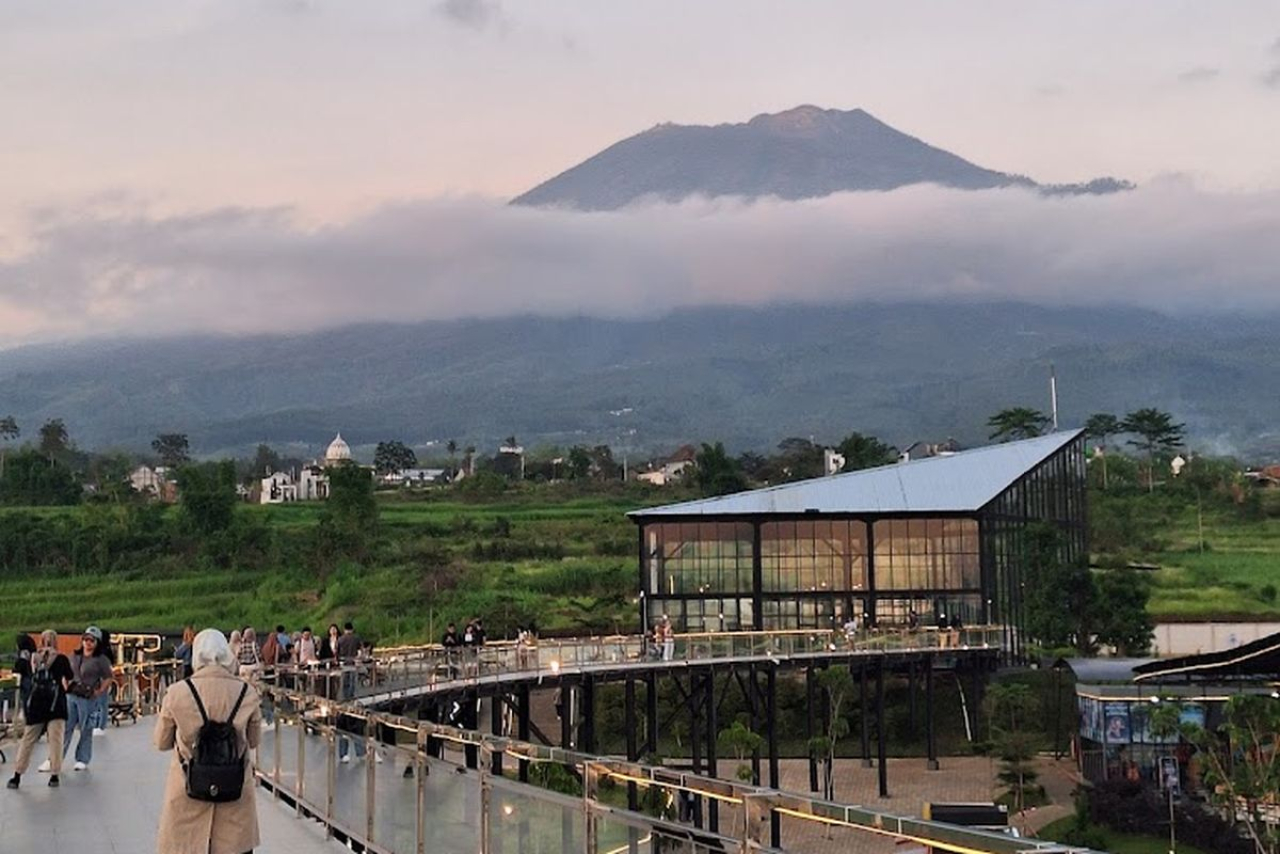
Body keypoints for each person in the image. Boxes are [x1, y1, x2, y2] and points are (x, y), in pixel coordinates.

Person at [154, 628, 261, 854]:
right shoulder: (247, 692)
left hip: (188, 790)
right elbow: (253, 741)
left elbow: (162, 742)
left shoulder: (177, 692)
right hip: (234, 794)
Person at [7, 630, 71, 789]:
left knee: (28, 740)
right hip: (56, 704)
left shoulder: (34, 658)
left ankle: (17, 776)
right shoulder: (62, 659)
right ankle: (54, 775)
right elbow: (68, 677)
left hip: (37, 704)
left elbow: (21, 670)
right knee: (55, 740)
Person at [61, 625, 114, 771]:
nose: (88, 643)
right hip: (72, 694)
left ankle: (82, 758)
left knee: (86, 728)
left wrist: (100, 690)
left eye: (91, 640)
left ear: (96, 642)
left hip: (87, 696)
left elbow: (109, 677)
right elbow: (66, 672)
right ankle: (57, 757)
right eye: (85, 639)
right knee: (67, 727)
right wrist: (65, 684)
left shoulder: (100, 659)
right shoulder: (75, 656)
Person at [12, 633, 36, 735]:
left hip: (25, 681)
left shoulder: (23, 655)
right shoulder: (30, 653)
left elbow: (19, 668)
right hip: (30, 680)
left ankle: (28, 728)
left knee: (26, 704)